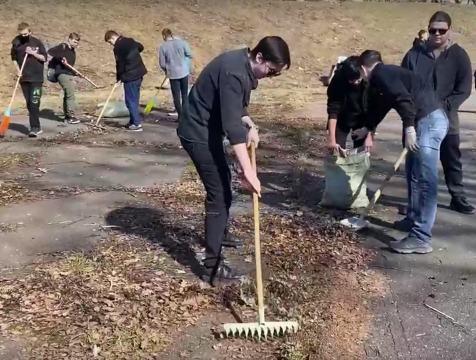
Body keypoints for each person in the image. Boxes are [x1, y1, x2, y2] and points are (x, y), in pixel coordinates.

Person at [177, 36, 290, 285]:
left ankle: (219, 232)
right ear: (259, 57)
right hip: (198, 132)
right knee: (219, 193)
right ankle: (212, 267)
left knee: (224, 186)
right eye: (271, 71)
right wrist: (249, 171)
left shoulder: (241, 65)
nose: (270, 77)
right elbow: (231, 125)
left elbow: (233, 105)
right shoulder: (233, 71)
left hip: (208, 129)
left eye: (276, 75)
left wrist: (247, 121)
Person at [355, 50, 448, 254]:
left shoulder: (381, 74)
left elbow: (403, 99)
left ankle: (421, 237)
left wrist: (409, 128)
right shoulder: (388, 74)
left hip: (428, 122)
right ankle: (413, 220)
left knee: (425, 181)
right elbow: (385, 105)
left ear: (363, 69)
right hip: (427, 120)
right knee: (413, 174)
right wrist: (367, 127)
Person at [402, 11, 473, 215]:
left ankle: (457, 197)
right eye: (433, 30)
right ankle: (413, 205)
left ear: (449, 30)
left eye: (442, 30)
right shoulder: (414, 55)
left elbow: (464, 88)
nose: (437, 34)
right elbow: (402, 85)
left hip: (447, 118)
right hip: (417, 119)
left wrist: (445, 106)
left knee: (451, 159)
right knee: (415, 164)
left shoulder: (459, 55)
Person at [326, 55, 381, 152]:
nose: (355, 83)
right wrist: (332, 140)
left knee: (362, 151)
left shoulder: (370, 80)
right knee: (336, 151)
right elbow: (333, 111)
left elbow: (373, 110)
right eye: (351, 81)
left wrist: (369, 136)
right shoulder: (338, 81)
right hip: (342, 118)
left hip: (363, 120)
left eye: (358, 79)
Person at [104, 30, 147, 132]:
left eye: (110, 42)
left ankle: (137, 124)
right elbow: (141, 47)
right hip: (139, 73)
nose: (111, 45)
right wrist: (134, 55)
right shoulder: (130, 40)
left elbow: (120, 64)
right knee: (135, 98)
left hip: (130, 75)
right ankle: (133, 121)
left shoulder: (118, 47)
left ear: (113, 38)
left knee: (130, 100)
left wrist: (119, 78)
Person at [10, 22, 47, 138]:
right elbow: (14, 58)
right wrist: (17, 70)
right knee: (29, 104)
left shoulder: (37, 43)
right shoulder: (16, 42)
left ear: (30, 32)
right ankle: (35, 126)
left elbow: (44, 58)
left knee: (34, 103)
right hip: (24, 78)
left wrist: (33, 53)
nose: (24, 36)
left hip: (36, 78)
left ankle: (35, 128)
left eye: (26, 34)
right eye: (21, 34)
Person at [159, 28, 193, 120]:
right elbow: (190, 54)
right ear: (172, 34)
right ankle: (186, 114)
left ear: (163, 36)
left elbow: (162, 63)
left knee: (176, 96)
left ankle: (181, 116)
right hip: (184, 72)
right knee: (185, 94)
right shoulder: (180, 43)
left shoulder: (163, 47)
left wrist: (166, 70)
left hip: (173, 74)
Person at [47, 33, 81, 124]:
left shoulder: (72, 51)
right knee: (70, 94)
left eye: (77, 43)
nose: (75, 44)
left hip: (68, 73)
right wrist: (61, 58)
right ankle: (71, 116)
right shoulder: (63, 47)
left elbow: (69, 66)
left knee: (67, 94)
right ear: (69, 39)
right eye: (74, 42)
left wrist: (76, 73)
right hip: (61, 73)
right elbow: (50, 51)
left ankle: (67, 116)